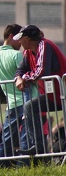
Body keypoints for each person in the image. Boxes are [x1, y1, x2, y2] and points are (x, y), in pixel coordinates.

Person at [13, 25, 66, 155]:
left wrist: (23, 77)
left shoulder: (44, 45)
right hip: (53, 95)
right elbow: (20, 70)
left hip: (62, 93)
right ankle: (38, 146)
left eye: (21, 39)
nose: (19, 42)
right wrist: (19, 78)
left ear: (27, 39)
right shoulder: (28, 52)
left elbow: (42, 71)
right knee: (30, 107)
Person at [0, 24, 37, 168]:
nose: (22, 43)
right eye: (19, 39)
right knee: (26, 135)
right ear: (11, 36)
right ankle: (23, 165)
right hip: (25, 100)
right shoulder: (17, 55)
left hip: (11, 102)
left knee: (7, 138)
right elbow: (27, 76)